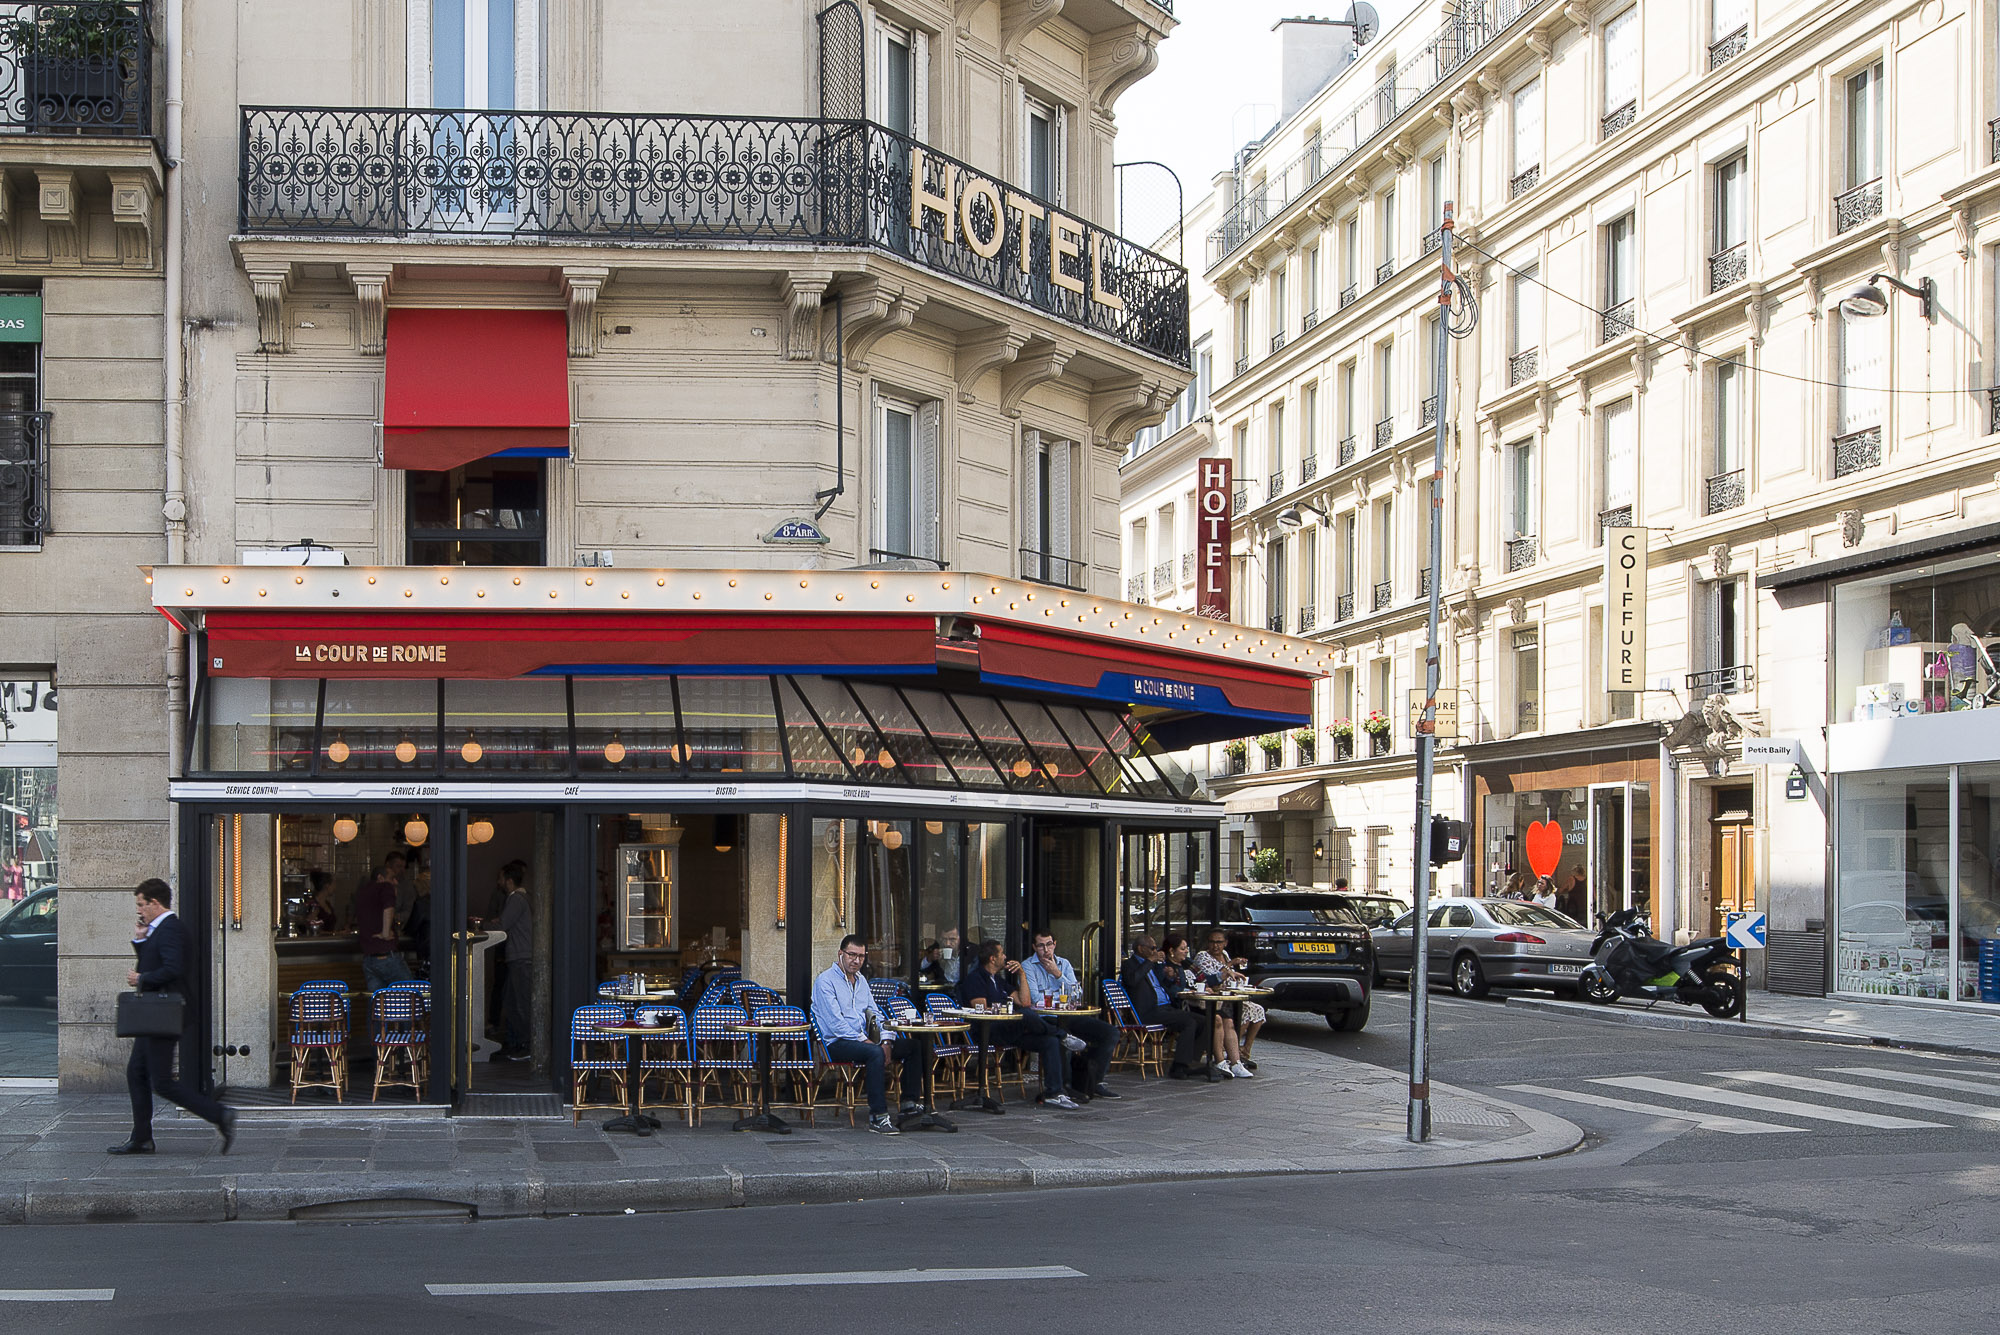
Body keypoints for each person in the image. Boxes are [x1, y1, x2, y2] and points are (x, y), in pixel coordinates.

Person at [111, 878, 236, 1156]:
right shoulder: (159, 930)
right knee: (137, 1072)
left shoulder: (170, 930)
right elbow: (154, 962)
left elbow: (173, 969)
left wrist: (142, 977)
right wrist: (140, 942)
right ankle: (142, 1137)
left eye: (142, 905)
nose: (139, 910)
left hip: (163, 1015)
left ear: (155, 903)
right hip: (154, 1015)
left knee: (162, 1082)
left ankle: (219, 1114)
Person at [811, 935, 922, 1133]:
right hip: (837, 1043)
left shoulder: (862, 981)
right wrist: (870, 1042)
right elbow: (836, 1024)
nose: (857, 961)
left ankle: (909, 1104)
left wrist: (887, 1040)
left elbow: (877, 1014)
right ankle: (878, 1116)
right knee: (875, 1053)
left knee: (914, 1047)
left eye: (861, 956)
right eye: (852, 955)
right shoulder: (825, 981)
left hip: (863, 1042)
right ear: (840, 954)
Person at [957, 941, 1077, 1109]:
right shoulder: (975, 979)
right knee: (1026, 1015)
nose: (1006, 957)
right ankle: (1062, 1034)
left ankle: (1054, 1093)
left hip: (1011, 1030)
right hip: (989, 1031)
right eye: (1002, 954)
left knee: (1049, 1041)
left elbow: (1024, 1001)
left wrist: (1021, 974)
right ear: (992, 958)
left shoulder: (998, 980)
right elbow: (981, 1008)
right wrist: (1008, 1010)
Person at [1019, 930, 1119, 1100]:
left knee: (1110, 1033)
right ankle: (1066, 1086)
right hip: (1044, 1018)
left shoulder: (1063, 964)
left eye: (1049, 944)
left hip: (1069, 1015)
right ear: (1034, 947)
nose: (1046, 950)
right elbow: (1035, 999)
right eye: (1041, 946)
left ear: (1055, 944)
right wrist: (1061, 995)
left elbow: (1077, 993)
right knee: (1061, 1038)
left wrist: (1057, 974)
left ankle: (1093, 1081)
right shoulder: (1028, 966)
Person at [1118, 934, 1208, 1079]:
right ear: (1141, 949)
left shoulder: (1153, 965)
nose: (1155, 951)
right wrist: (1149, 961)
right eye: (1152, 948)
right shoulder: (1130, 964)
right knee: (1188, 1022)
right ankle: (1179, 1067)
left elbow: (1161, 987)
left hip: (1164, 1007)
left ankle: (1191, 1061)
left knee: (1204, 1021)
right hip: (1148, 1011)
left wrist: (1169, 977)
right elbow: (1132, 980)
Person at [1197, 929, 1263, 1075]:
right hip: (1211, 1000)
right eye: (1212, 942)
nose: (1215, 946)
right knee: (1225, 1018)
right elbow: (1211, 978)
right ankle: (1222, 1058)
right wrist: (1232, 964)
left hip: (1227, 998)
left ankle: (1239, 1058)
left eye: (1219, 942)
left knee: (1255, 1010)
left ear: (1225, 943)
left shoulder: (1225, 955)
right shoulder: (1202, 956)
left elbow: (1228, 975)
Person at [491, 860, 533, 1062]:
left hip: (521, 958)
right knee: (511, 1000)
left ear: (509, 881)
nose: (498, 882)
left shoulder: (516, 898)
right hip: (519, 958)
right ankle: (517, 1042)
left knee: (519, 1003)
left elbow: (504, 925)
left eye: (500, 878)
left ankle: (527, 1045)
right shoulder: (521, 898)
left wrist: (484, 926)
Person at [355, 852, 412, 993]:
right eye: (392, 878)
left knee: (377, 1005)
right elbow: (388, 906)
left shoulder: (362, 892)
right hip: (386, 956)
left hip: (369, 960)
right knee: (411, 996)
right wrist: (386, 933)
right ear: (380, 878)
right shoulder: (385, 887)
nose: (395, 882)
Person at [294, 869, 337, 934]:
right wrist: (335, 933)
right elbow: (312, 930)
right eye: (333, 884)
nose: (335, 887)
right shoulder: (314, 905)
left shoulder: (327, 904)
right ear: (327, 885)